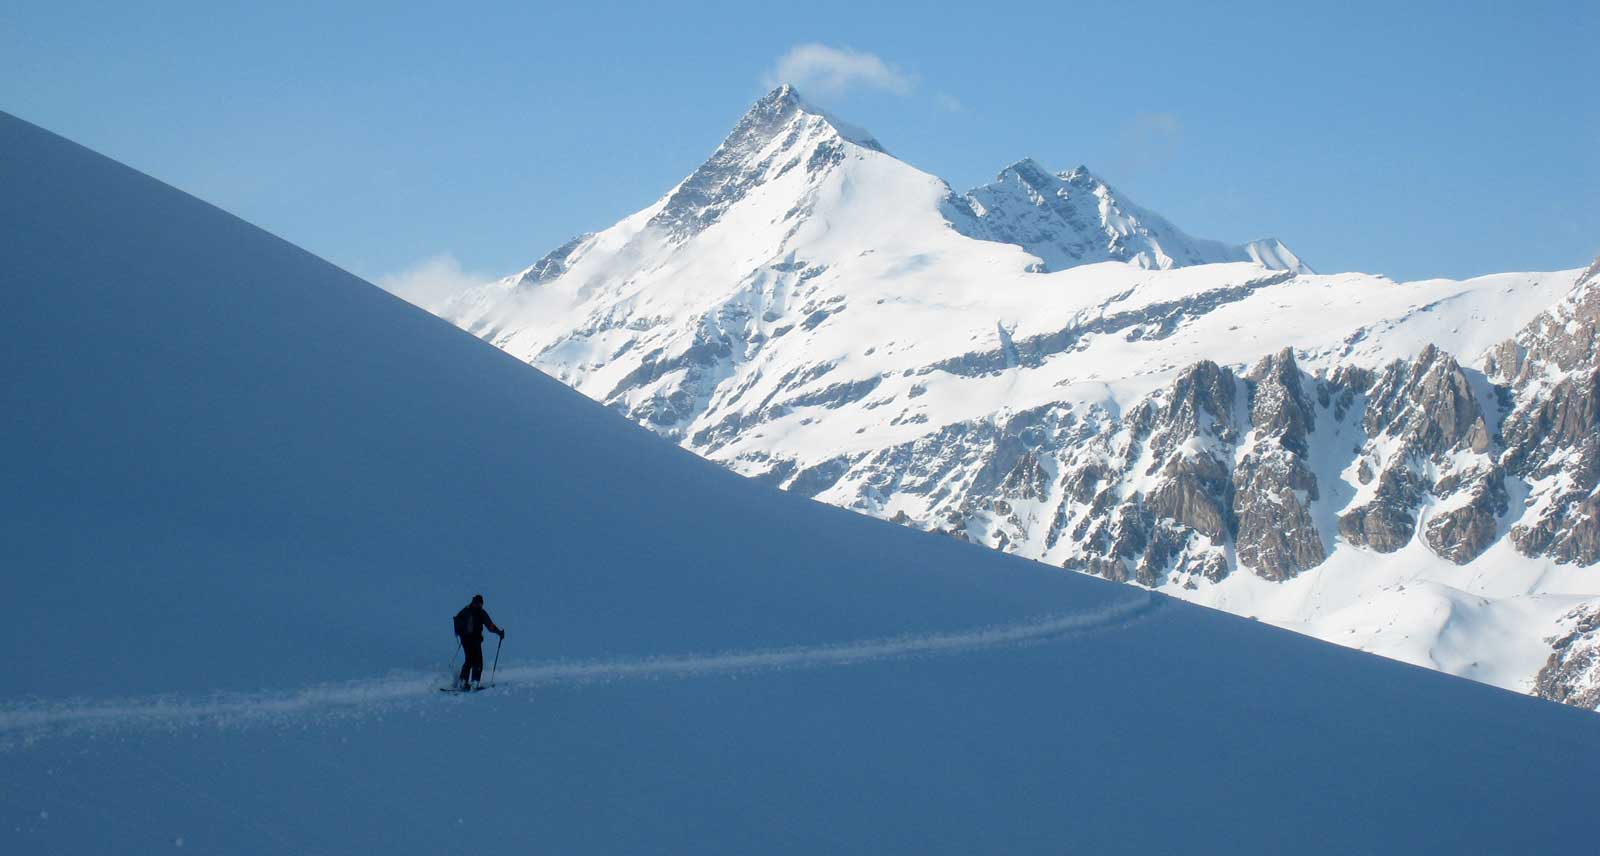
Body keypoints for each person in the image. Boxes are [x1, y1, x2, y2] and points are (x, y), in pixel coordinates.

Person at [454, 594, 505, 689]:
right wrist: (499, 633)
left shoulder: (465, 610)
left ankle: (462, 682)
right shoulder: (480, 612)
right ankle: (475, 682)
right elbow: (490, 626)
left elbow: (457, 621)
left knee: (468, 660)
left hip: (465, 640)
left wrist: (461, 634)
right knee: (478, 662)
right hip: (475, 640)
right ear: (480, 603)